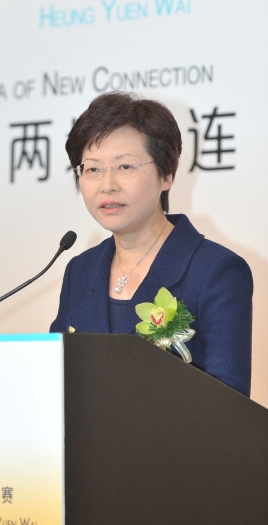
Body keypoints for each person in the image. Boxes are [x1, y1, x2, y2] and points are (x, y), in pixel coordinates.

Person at [50, 92, 253, 396]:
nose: (107, 185)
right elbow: (55, 384)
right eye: (92, 169)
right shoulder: (80, 271)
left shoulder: (216, 272)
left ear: (166, 174)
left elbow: (229, 406)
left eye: (125, 167)